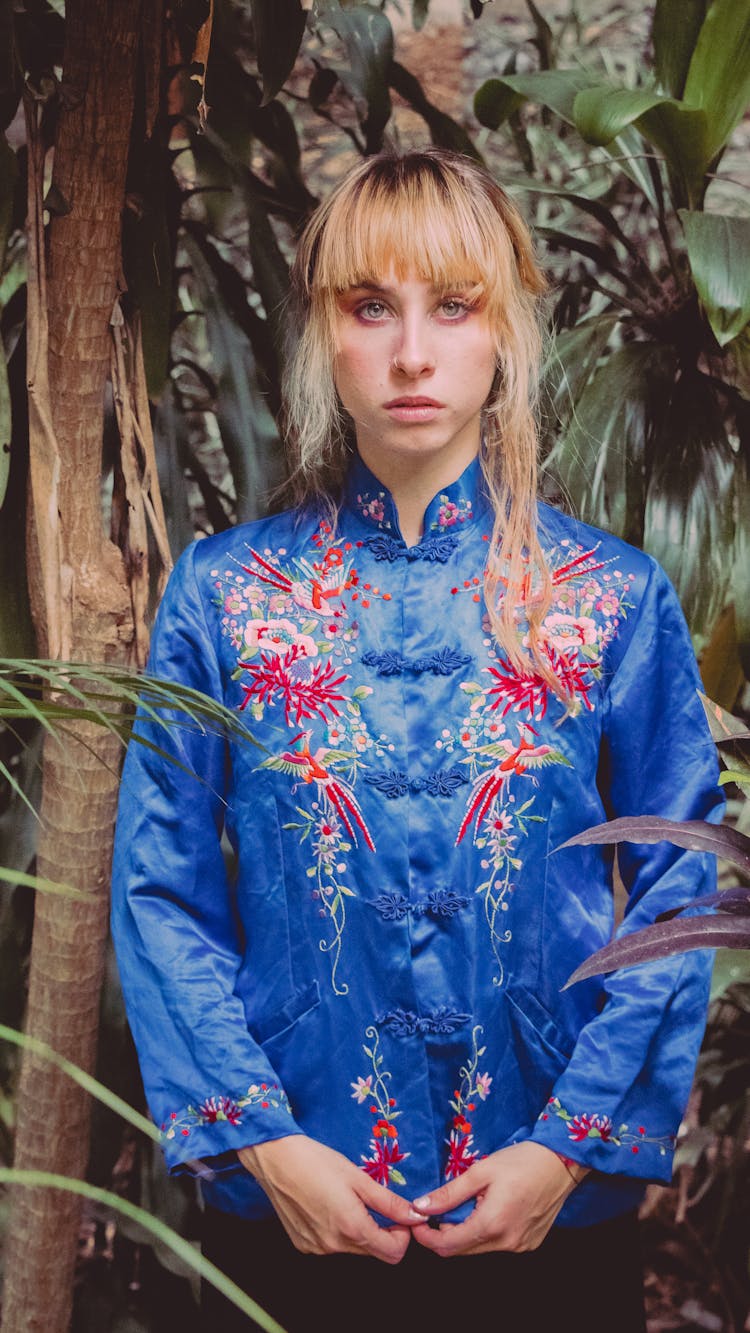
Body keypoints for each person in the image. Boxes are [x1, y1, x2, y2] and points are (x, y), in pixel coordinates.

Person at [111, 149, 722, 1333]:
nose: (410, 354)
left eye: (454, 306)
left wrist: (569, 1148)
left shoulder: (609, 596)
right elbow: (162, 893)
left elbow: (681, 883)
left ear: (505, 332)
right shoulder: (223, 597)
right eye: (369, 306)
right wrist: (265, 1140)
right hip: (292, 1204)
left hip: (547, 1203)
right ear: (320, 334)